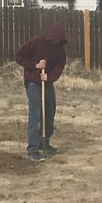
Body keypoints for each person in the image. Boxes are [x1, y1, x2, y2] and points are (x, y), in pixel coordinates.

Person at [15, 23, 68, 161]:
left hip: (47, 82)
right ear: (50, 37)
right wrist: (35, 66)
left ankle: (44, 143)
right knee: (36, 114)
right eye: (55, 40)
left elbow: (59, 66)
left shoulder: (59, 49)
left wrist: (49, 77)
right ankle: (32, 149)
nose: (56, 42)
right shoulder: (35, 43)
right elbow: (19, 56)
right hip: (33, 81)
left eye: (59, 41)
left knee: (50, 111)